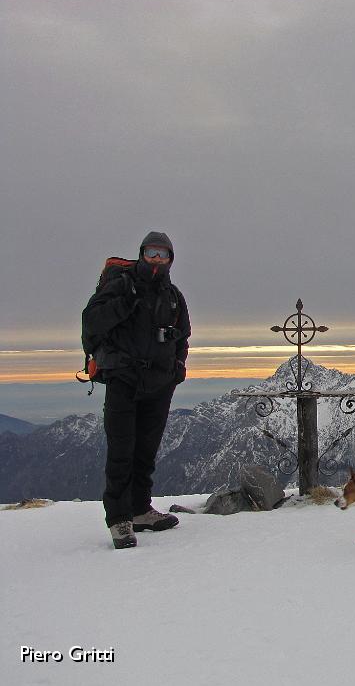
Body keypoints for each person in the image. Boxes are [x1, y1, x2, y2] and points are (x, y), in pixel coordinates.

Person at [82, 232, 191, 548]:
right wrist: (126, 304)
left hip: (159, 383)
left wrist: (177, 368)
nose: (157, 259)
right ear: (142, 253)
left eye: (163, 254)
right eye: (152, 252)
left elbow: (182, 336)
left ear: (170, 258)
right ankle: (119, 520)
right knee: (121, 451)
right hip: (124, 380)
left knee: (145, 450)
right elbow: (92, 321)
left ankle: (141, 510)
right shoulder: (122, 286)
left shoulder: (173, 296)